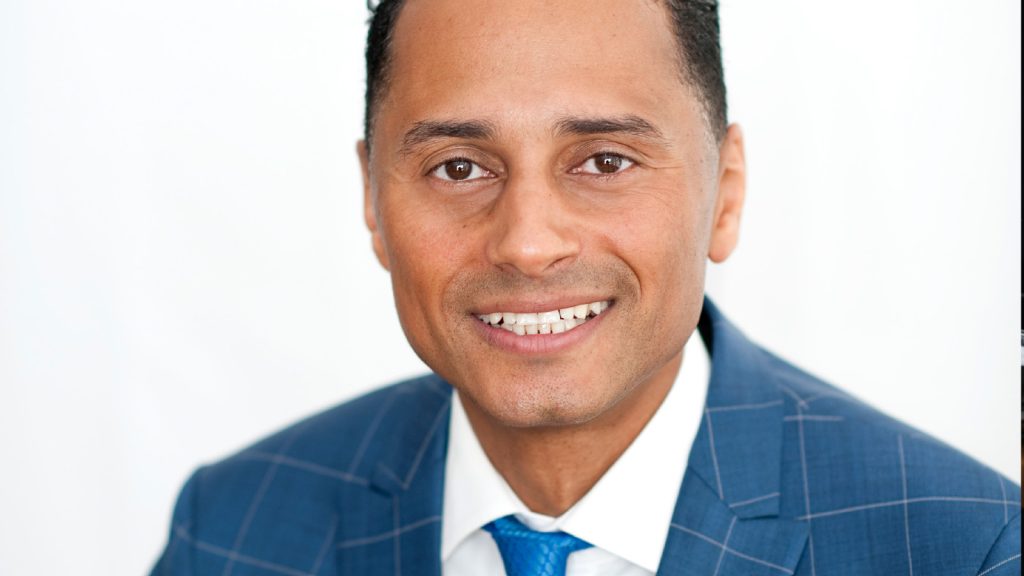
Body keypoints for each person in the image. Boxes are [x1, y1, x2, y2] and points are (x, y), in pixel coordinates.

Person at [151, 0, 1020, 574]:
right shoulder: (231, 531)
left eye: (604, 161)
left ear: (726, 194)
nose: (529, 244)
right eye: (458, 167)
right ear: (373, 202)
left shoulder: (966, 548)